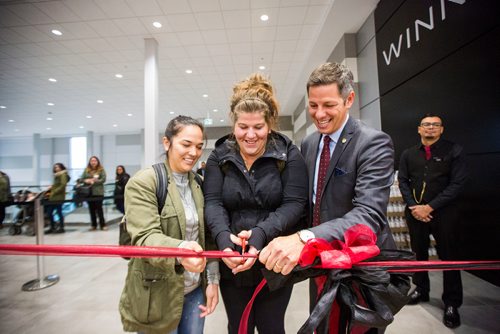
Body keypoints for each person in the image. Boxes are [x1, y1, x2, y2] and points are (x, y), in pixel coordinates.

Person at [258, 62, 396, 333]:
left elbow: (368, 215)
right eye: (313, 105)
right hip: (320, 266)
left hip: (360, 270)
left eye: (329, 105)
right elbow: (306, 205)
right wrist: (259, 233)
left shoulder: (373, 143)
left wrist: (304, 238)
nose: (319, 114)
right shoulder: (309, 144)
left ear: (349, 100)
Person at [203, 73, 308, 334]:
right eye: (242, 127)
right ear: (233, 124)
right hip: (233, 263)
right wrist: (224, 241)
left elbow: (294, 204)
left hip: (275, 260)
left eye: (258, 127)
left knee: (272, 326)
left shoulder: (288, 153)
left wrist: (260, 234)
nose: (250, 135)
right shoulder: (219, 156)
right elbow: (213, 203)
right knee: (239, 327)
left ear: (270, 124)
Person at [119, 115, 219, 334]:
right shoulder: (144, 182)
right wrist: (181, 250)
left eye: (199, 146)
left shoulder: (199, 184)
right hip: (156, 296)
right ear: (167, 143)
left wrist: (212, 280)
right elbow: (145, 237)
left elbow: (208, 238)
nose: (193, 152)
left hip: (194, 292)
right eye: (186, 144)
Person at [398, 114, 467, 328]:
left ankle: (452, 303)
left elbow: (457, 184)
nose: (430, 128)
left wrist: (430, 207)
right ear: (419, 129)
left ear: (441, 129)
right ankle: (421, 289)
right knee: (419, 253)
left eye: (435, 125)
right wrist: (414, 207)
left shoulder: (454, 151)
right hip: (415, 212)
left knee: (449, 257)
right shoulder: (409, 154)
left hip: (445, 213)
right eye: (426, 125)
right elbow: (403, 181)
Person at [80, 156, 107, 231]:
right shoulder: (86, 170)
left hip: (98, 192)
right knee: (91, 209)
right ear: (90, 162)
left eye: (95, 160)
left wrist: (95, 181)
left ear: (97, 161)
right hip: (89, 192)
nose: (93, 162)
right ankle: (93, 225)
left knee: (99, 209)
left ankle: (103, 225)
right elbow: (81, 179)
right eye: (92, 161)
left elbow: (103, 179)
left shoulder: (101, 170)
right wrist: (86, 180)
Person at [45, 163, 69, 233]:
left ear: (61, 168)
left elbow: (63, 185)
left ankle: (61, 228)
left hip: (59, 197)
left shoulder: (63, 174)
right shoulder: (57, 175)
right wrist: (52, 187)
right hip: (53, 197)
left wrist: (54, 191)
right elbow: (57, 184)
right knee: (49, 212)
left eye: (58, 167)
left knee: (59, 212)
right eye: (55, 167)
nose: (56, 169)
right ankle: (52, 227)